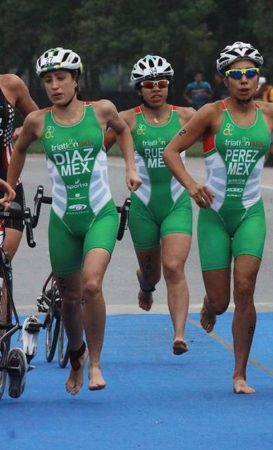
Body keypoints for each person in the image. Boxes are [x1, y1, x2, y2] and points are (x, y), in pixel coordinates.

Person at [163, 41, 273, 394]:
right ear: (225, 79)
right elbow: (172, 151)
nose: (244, 80)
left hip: (249, 214)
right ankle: (210, 306)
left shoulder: (272, 113)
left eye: (250, 73)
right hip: (214, 215)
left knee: (245, 289)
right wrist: (192, 184)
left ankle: (239, 374)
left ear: (258, 77)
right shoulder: (211, 113)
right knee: (220, 301)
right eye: (236, 74)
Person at [7, 47, 141, 395]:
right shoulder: (38, 121)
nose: (54, 86)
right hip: (63, 222)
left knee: (91, 286)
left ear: (75, 80)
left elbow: (124, 131)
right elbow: (18, 148)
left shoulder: (101, 110)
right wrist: (10, 185)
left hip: (99, 214)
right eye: (48, 80)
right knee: (68, 298)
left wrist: (129, 167)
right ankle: (76, 355)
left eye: (61, 78)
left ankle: (95, 363)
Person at [106, 55, 195, 355]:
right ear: (139, 88)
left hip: (176, 203)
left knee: (173, 266)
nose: (156, 89)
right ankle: (145, 286)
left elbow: (218, 139)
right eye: (149, 84)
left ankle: (179, 334)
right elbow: (93, 148)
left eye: (162, 83)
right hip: (143, 205)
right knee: (153, 273)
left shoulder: (186, 115)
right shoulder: (127, 119)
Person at [0, 73, 38, 258]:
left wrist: (25, 128)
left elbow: (40, 123)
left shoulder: (10, 84)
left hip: (8, 183)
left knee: (3, 260)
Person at [256, 76, 273, 167]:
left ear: (264, 85)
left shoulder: (272, 91)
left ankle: (272, 159)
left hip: (272, 118)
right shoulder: (264, 92)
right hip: (265, 118)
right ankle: (268, 158)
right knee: (268, 139)